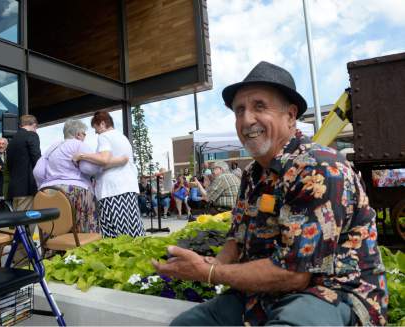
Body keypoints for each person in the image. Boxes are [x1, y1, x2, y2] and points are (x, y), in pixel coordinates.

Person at [153, 61, 387, 326]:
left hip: (331, 295)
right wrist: (206, 263)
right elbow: (236, 240)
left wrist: (208, 273)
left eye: (259, 106)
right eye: (239, 110)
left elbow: (294, 274)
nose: (246, 119)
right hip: (262, 295)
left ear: (290, 115)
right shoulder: (253, 173)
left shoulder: (319, 168)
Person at [73, 111, 145, 237]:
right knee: (133, 231)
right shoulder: (122, 138)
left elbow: (104, 159)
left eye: (96, 129)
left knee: (115, 235)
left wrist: (82, 156)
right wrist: (120, 161)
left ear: (102, 124)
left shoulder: (105, 136)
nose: (96, 133)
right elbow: (119, 160)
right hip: (127, 188)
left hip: (112, 190)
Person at [33, 119, 103, 233]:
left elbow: (38, 171)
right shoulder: (79, 145)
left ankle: (54, 251)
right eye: (84, 134)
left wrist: (44, 185)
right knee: (83, 230)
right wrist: (100, 167)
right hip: (75, 190)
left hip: (49, 191)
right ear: (78, 134)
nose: (85, 137)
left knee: (54, 228)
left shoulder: (52, 148)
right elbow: (88, 168)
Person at [7, 115, 41, 212]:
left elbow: (9, 165)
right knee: (29, 221)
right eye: (36, 128)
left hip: (14, 189)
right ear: (34, 125)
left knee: (18, 222)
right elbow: (37, 160)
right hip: (27, 188)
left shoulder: (12, 141)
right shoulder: (32, 135)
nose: (36, 131)